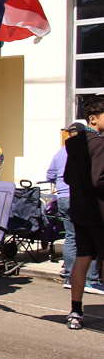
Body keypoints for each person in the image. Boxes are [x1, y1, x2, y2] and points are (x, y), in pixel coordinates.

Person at [63, 96, 104, 329]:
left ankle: (75, 311)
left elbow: (69, 177)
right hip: (99, 212)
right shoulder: (99, 144)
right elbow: (99, 179)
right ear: (93, 118)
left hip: (79, 210)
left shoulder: (74, 145)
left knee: (83, 257)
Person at [49, 123, 104, 294]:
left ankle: (69, 277)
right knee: (93, 244)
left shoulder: (64, 150)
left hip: (66, 198)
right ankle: (92, 280)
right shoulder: (94, 146)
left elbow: (54, 175)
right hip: (88, 201)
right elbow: (97, 179)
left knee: (73, 239)